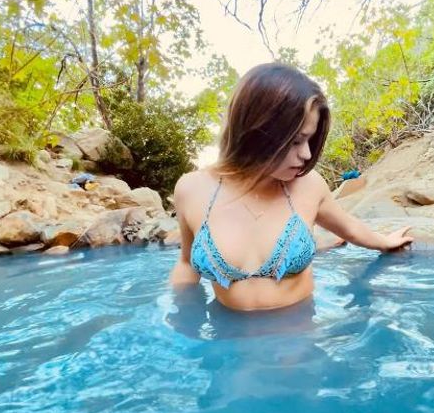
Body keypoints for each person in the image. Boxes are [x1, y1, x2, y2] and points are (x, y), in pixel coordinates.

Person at [168, 63, 413, 311]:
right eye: (296, 141)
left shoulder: (308, 186)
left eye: (310, 140)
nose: (307, 154)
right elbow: (187, 264)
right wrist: (182, 321)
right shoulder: (192, 190)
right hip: (223, 333)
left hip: (300, 332)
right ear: (255, 131)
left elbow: (349, 227)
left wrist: (384, 242)